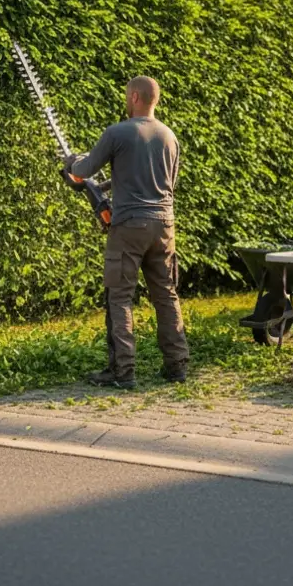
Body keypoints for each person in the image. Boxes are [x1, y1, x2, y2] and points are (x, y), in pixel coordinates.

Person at [64, 76, 188, 389]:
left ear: (134, 96)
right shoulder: (169, 136)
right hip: (164, 225)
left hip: (129, 226)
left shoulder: (118, 132)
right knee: (166, 293)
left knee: (119, 297)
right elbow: (163, 183)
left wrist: (71, 162)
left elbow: (83, 170)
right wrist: (106, 188)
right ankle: (177, 366)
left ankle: (123, 371)